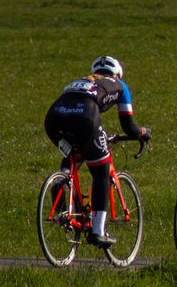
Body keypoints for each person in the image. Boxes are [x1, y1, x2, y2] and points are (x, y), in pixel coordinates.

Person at [43, 55, 149, 251]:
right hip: (85, 118)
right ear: (117, 73)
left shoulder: (80, 81)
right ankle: (98, 231)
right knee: (100, 173)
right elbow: (128, 126)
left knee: (75, 151)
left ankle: (61, 180)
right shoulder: (120, 85)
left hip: (53, 120)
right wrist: (142, 133)